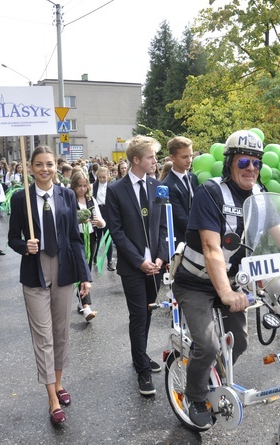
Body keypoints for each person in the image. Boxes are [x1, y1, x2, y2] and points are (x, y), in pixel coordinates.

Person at [173, 130, 280, 427]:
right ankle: (195, 396)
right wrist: (225, 294)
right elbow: (211, 248)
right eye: (244, 161)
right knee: (207, 344)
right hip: (196, 282)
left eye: (256, 164)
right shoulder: (210, 193)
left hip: (232, 282)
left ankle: (211, 375)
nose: (251, 169)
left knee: (241, 343)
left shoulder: (259, 197)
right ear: (230, 163)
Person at [8, 146, 92, 425]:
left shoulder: (67, 195)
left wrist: (85, 275)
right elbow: (11, 238)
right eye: (39, 164)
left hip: (64, 270)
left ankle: (58, 382)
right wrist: (24, 245)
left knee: (60, 332)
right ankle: (52, 398)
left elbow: (75, 239)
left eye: (50, 164)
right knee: (43, 336)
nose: (45, 169)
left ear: (57, 167)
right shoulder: (21, 198)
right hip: (35, 271)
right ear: (30, 168)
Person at [106, 136, 168, 396]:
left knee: (149, 311)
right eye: (151, 157)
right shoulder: (116, 189)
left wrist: (161, 258)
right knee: (138, 315)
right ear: (136, 160)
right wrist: (139, 261)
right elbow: (117, 232)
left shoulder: (157, 185)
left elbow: (165, 225)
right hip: (133, 267)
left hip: (156, 265)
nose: (155, 161)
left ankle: (139, 355)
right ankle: (142, 369)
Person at [71, 170, 105, 321]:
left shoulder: (91, 200)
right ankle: (86, 307)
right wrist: (77, 220)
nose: (82, 189)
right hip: (76, 238)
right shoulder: (70, 200)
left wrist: (99, 223)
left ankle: (81, 300)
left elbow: (102, 221)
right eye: (79, 186)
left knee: (87, 269)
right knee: (81, 270)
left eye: (85, 186)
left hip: (91, 237)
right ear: (74, 186)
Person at [161, 136, 198, 246]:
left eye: (191, 156)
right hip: (181, 242)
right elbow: (181, 218)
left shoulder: (193, 177)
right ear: (172, 157)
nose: (189, 160)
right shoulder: (167, 185)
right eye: (184, 157)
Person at [92, 166, 115, 271]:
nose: (102, 179)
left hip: (107, 212)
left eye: (104, 177)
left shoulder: (111, 186)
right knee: (97, 237)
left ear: (108, 176)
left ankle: (109, 261)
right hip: (97, 211)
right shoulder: (94, 186)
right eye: (100, 177)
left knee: (108, 238)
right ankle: (95, 257)